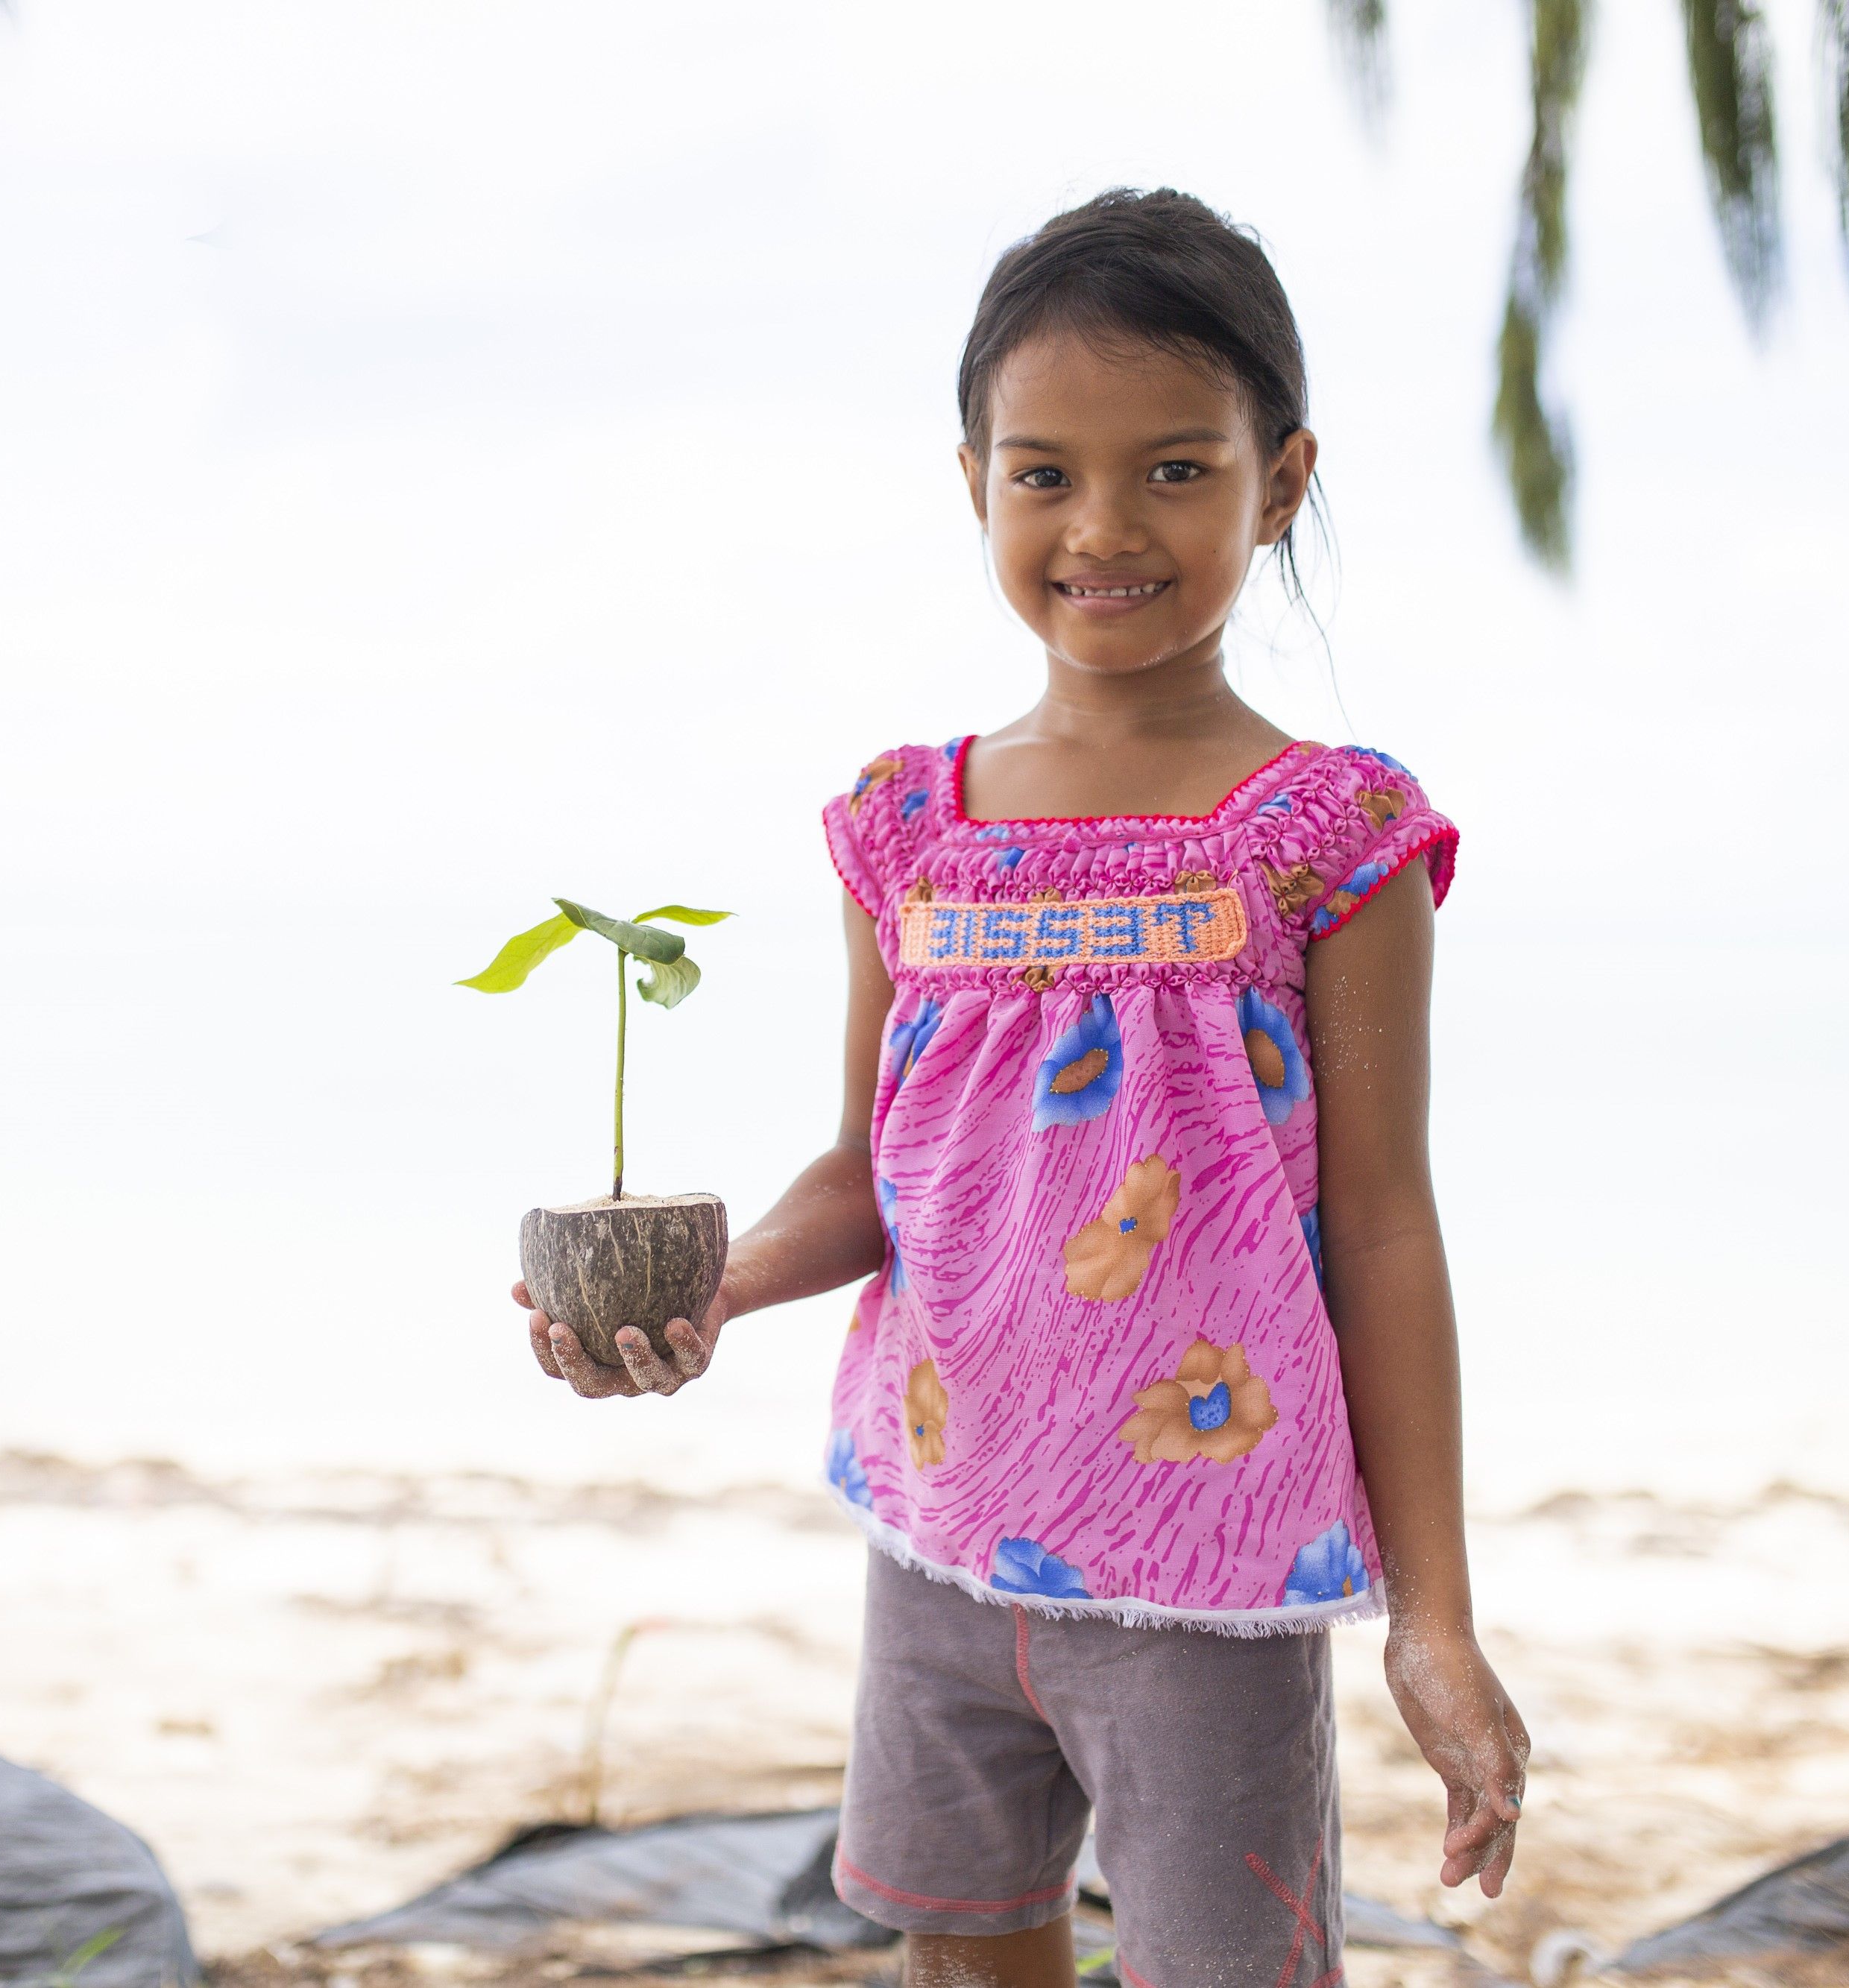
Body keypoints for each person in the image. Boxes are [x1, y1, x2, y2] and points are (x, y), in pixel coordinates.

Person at [514, 187, 1529, 1988]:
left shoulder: (1329, 835)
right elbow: (868, 1172)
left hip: (1202, 1577)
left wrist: (1431, 1617)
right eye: (1044, 472)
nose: (1102, 526)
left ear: (1278, 481)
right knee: (963, 1941)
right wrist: (713, 1284)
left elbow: (1380, 1223)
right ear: (972, 479)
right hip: (941, 1536)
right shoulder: (906, 825)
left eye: (1174, 470)